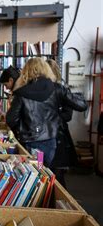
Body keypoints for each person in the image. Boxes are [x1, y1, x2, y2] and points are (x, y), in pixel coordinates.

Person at [6, 58, 87, 167]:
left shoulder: (21, 92)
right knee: (45, 171)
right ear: (46, 69)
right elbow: (82, 105)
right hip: (50, 140)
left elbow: (11, 119)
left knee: (34, 174)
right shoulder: (57, 88)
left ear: (26, 72)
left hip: (29, 141)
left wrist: (22, 128)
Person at [47, 59, 85, 187]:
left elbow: (67, 115)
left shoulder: (62, 90)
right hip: (41, 138)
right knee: (41, 168)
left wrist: (49, 116)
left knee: (57, 173)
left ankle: (60, 202)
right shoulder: (39, 91)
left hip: (58, 136)